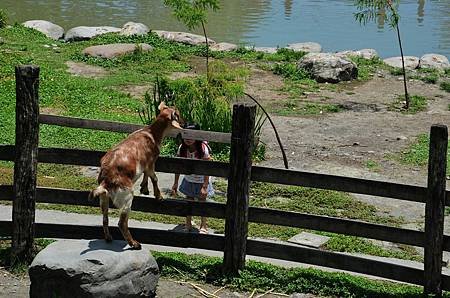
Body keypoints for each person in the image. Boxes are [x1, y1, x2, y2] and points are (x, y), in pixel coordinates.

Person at [171, 123, 214, 234]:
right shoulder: (182, 148)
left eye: (192, 136)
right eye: (186, 135)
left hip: (201, 180)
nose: (188, 139)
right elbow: (178, 166)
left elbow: (207, 168)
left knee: (202, 202)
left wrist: (205, 186)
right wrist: (175, 183)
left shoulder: (203, 149)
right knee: (188, 201)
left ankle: (203, 225)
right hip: (189, 179)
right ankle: (188, 223)